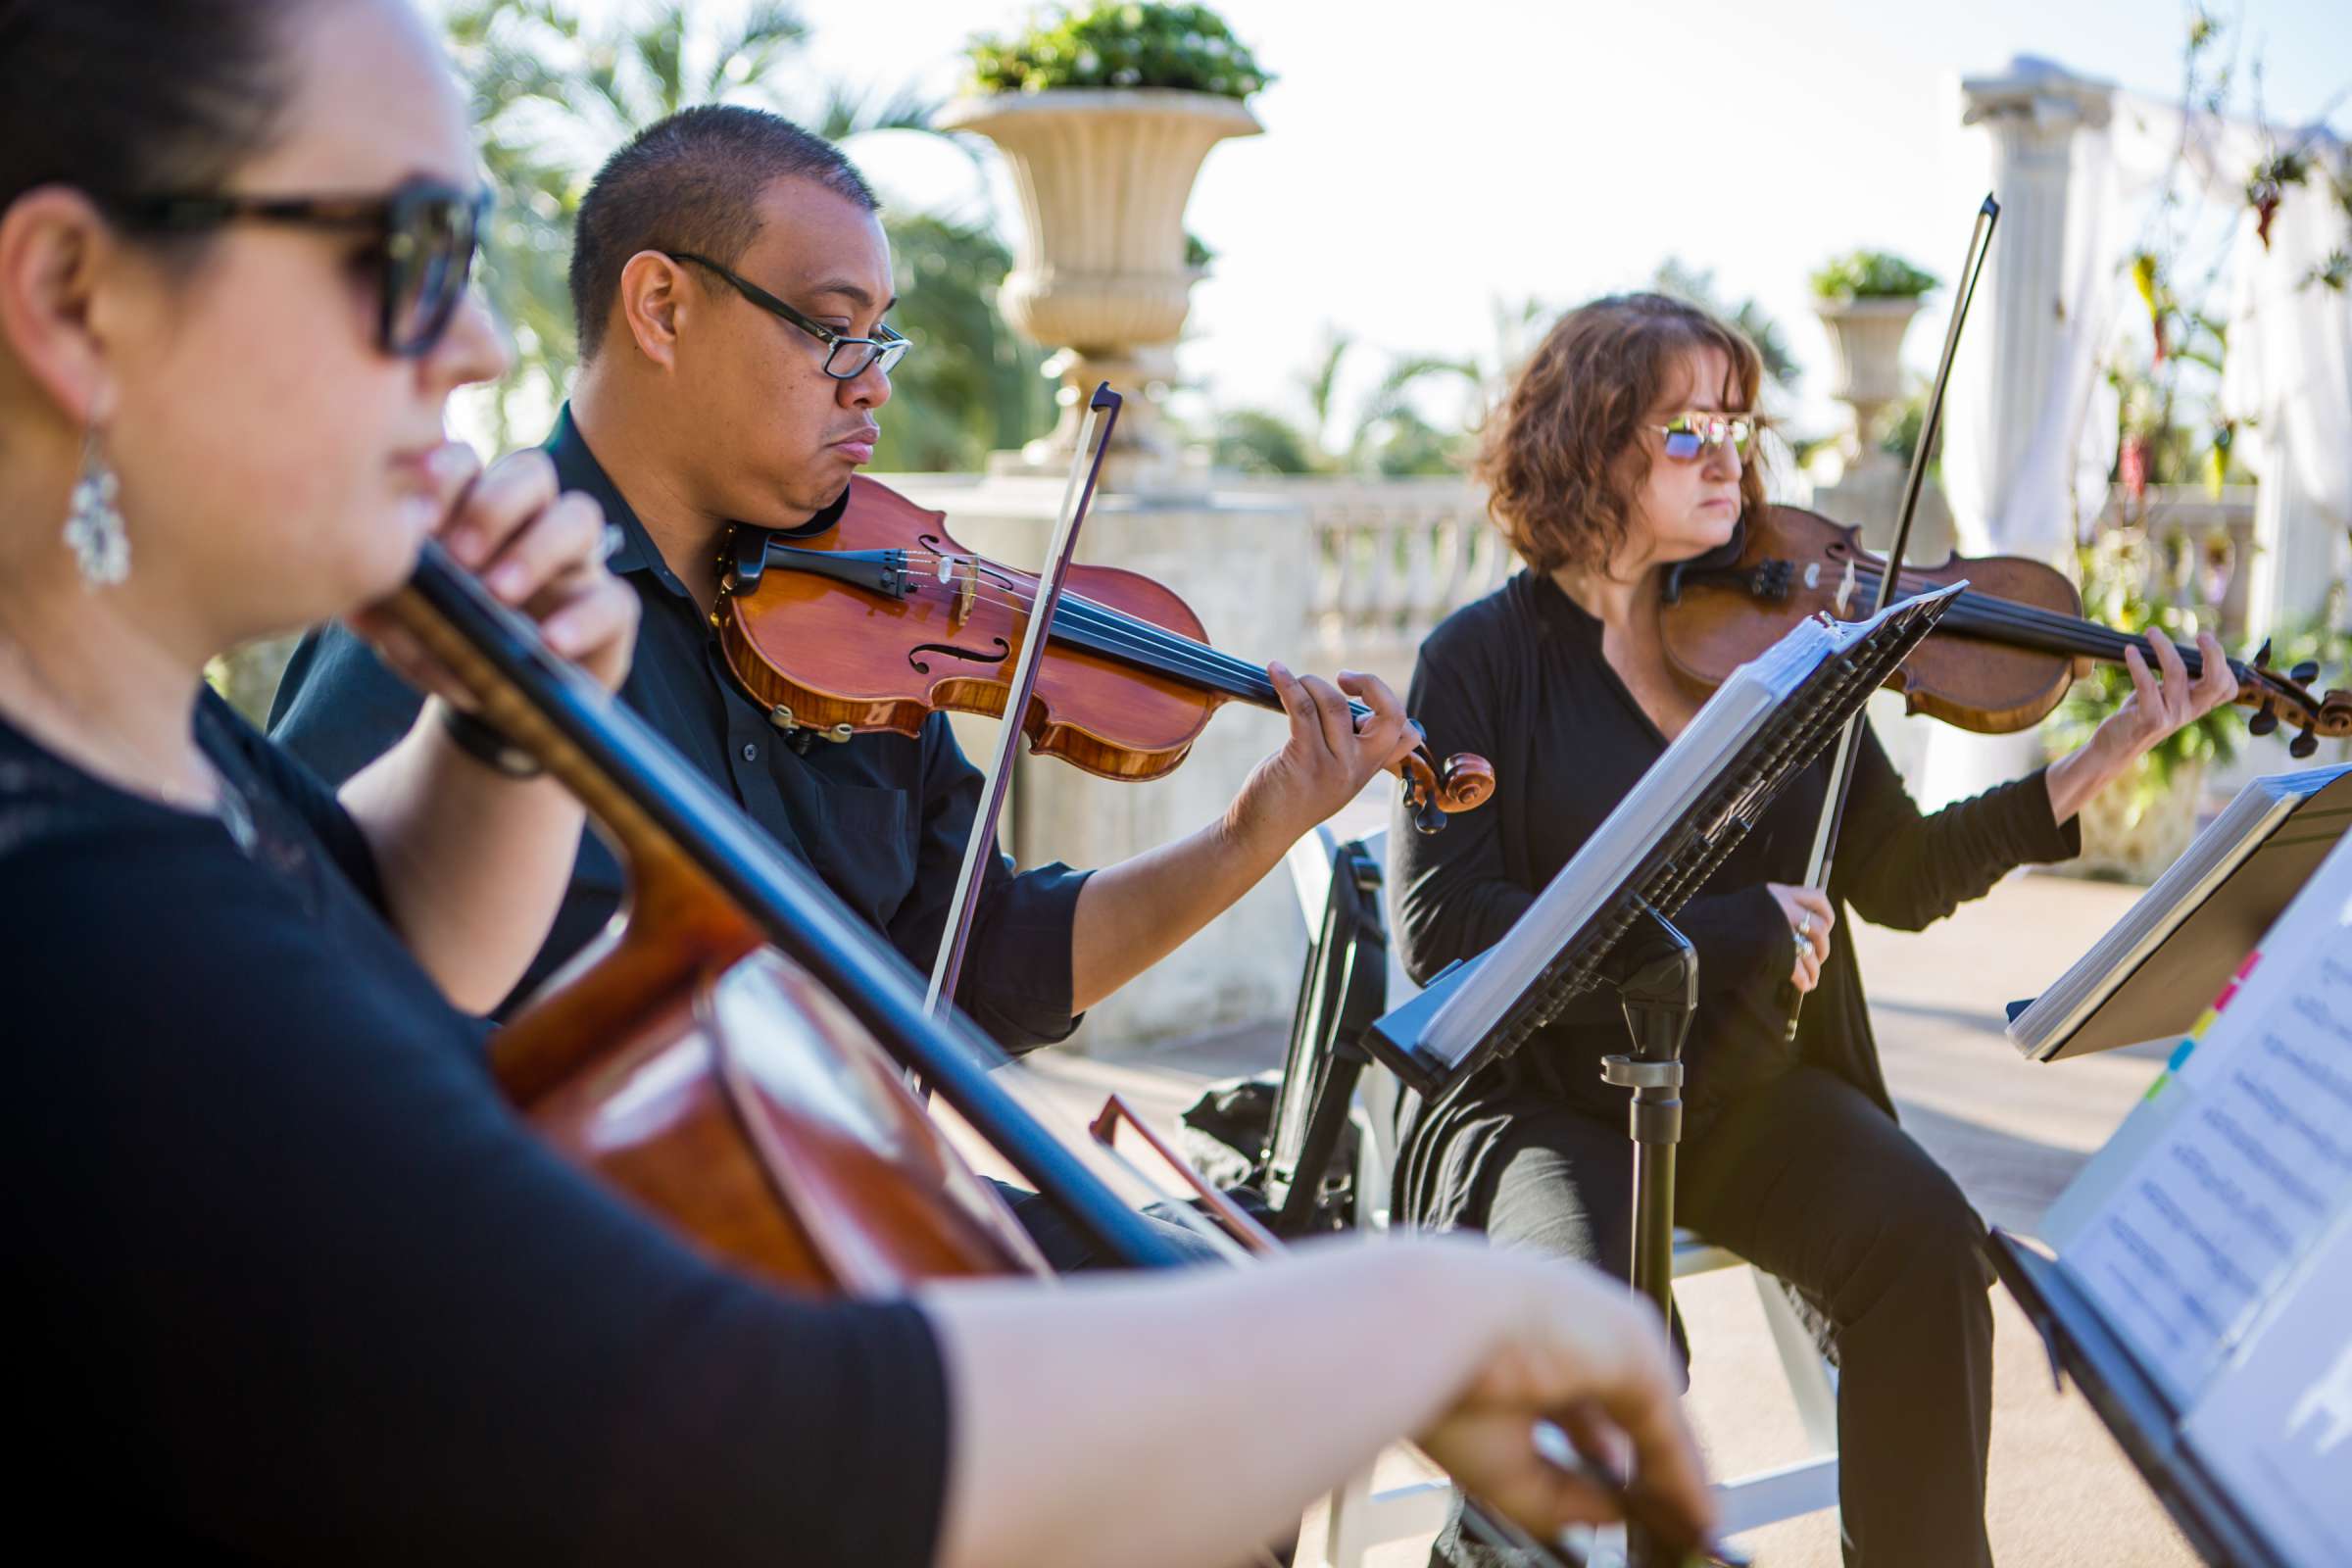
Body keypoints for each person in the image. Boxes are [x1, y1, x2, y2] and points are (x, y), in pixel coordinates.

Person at [0, 3, 1715, 1562]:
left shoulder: (174, 753)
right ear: (75, 300)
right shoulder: (78, 922)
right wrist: (1401, 1314)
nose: (465, 349)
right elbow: (731, 1421)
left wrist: (502, 738)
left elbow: (371, 931)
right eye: (411, 250)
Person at [267, 102, 1415, 1066]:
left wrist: (1249, 834)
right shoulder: (452, 608)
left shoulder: (877, 621)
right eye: (831, 330)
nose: (869, 385)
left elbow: (973, 962)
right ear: (661, 307)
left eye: (882, 340)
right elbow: (312, 1009)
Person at [1387, 292, 2238, 1568]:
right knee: (1589, 1338)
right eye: (1686, 428)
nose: (1730, 453)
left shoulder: (1791, 645)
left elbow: (1895, 874)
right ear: (1587, 439)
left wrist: (2100, 756)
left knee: (1928, 1250)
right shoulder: (1483, 660)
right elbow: (1448, 930)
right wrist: (1719, 932)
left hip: (1737, 1089)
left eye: (1738, 422)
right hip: (1548, 1104)